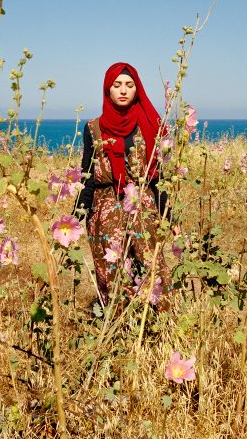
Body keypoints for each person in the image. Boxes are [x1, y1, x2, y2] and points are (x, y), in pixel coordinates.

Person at [76, 62, 172, 310]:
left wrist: (168, 214)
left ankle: (157, 326)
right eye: (117, 85)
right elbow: (87, 173)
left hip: (143, 206)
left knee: (151, 268)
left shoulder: (149, 124)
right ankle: (118, 328)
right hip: (104, 209)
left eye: (129, 85)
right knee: (112, 272)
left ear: (137, 89)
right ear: (107, 89)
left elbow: (157, 175)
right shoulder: (93, 128)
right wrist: (77, 214)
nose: (123, 90)